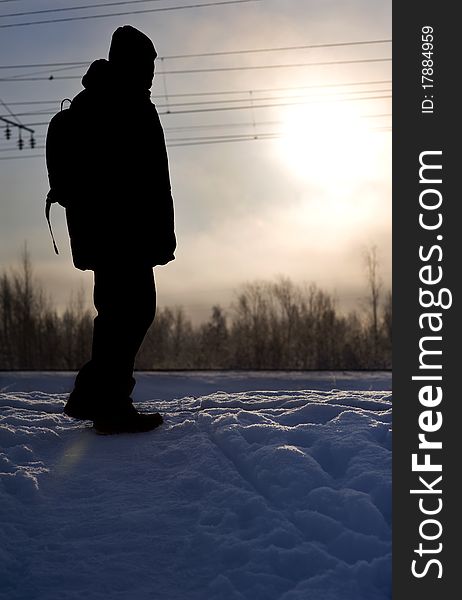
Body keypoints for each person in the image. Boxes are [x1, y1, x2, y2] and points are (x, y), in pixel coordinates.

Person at [46, 26, 176, 433]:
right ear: (131, 62)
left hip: (113, 233)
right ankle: (106, 403)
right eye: (147, 65)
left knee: (120, 313)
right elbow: (131, 178)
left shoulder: (105, 99)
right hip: (121, 233)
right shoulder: (118, 103)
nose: (152, 73)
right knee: (132, 311)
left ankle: (98, 398)